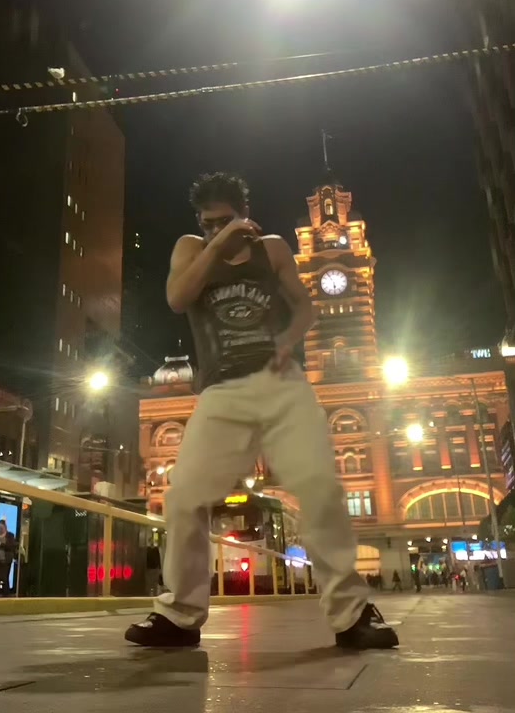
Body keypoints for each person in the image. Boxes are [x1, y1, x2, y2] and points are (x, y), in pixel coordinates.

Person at [125, 173, 398, 650]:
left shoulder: (271, 250)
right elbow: (177, 297)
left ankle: (353, 614)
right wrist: (218, 243)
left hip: (281, 383)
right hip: (221, 391)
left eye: (225, 220)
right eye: (208, 223)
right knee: (184, 496)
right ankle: (181, 616)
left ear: (244, 214)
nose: (215, 229)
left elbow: (306, 309)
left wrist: (288, 340)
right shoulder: (192, 249)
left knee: (319, 487)